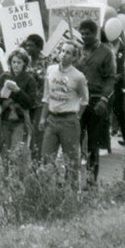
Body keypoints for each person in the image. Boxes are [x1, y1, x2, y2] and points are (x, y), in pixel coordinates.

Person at [40, 41, 90, 180]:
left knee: (71, 161)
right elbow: (46, 96)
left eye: (68, 52)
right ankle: (51, 191)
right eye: (62, 51)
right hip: (52, 119)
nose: (63, 55)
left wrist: (76, 116)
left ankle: (72, 194)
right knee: (47, 158)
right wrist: (43, 118)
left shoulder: (78, 77)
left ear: (74, 57)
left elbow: (85, 100)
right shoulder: (51, 70)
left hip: (69, 121)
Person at [76, 20, 116, 185]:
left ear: (95, 34)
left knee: (93, 144)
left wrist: (104, 100)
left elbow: (110, 79)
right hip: (77, 102)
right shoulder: (77, 51)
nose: (84, 37)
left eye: (88, 34)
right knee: (75, 141)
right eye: (82, 34)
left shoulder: (106, 52)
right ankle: (73, 180)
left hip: (96, 102)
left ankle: (91, 183)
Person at [0, 49, 37, 159]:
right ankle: (5, 176)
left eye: (19, 62)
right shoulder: (4, 77)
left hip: (20, 120)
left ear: (24, 64)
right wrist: (3, 93)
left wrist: (18, 91)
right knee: (5, 153)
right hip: (5, 119)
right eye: (13, 62)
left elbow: (31, 102)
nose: (16, 65)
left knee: (16, 153)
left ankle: (15, 175)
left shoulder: (29, 80)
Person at [21, 34, 48, 159]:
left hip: (39, 103)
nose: (28, 48)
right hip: (26, 101)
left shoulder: (46, 61)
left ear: (39, 47)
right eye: (27, 45)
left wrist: (36, 76)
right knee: (24, 132)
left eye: (31, 45)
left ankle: (36, 162)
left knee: (37, 134)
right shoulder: (25, 61)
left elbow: (47, 80)